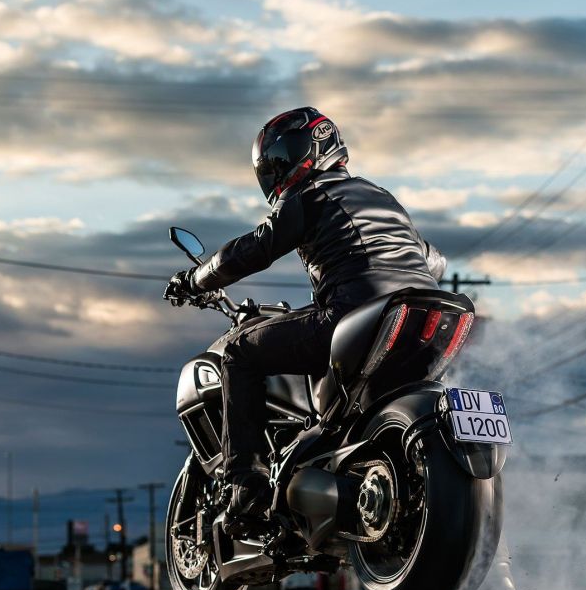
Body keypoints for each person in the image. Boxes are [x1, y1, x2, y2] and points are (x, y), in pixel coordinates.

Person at [165, 107, 446, 519]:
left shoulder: (311, 196)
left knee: (238, 353)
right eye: (274, 161)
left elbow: (254, 248)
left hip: (356, 311)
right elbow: (433, 261)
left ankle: (245, 484)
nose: (279, 169)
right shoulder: (383, 198)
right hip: (423, 309)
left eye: (286, 155)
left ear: (317, 148)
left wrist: (196, 279)